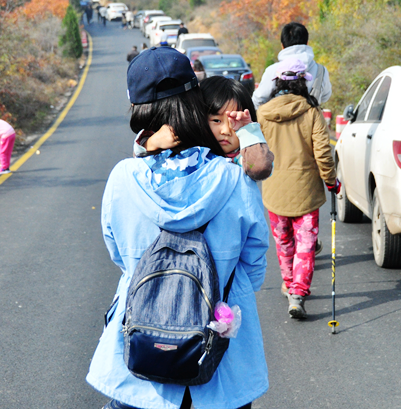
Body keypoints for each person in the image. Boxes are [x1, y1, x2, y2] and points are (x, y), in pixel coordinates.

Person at [87, 46, 269, 409]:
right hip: (219, 359)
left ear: (140, 111)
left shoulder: (123, 177)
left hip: (141, 356)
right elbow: (255, 269)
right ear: (194, 103)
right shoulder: (235, 181)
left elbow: (120, 256)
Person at [257, 58, 339, 319]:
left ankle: (288, 283)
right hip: (305, 190)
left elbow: (255, 153)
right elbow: (323, 153)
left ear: (277, 82)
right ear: (304, 82)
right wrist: (330, 181)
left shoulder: (263, 113)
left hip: (273, 190)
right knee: (305, 245)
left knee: (284, 243)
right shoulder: (311, 112)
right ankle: (298, 293)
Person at [139, 75, 274, 182]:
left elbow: (260, 167)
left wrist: (248, 131)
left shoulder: (242, 159)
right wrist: (152, 142)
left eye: (235, 124)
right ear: (198, 118)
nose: (226, 131)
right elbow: (142, 161)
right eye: (216, 120)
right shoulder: (187, 150)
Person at [252, 22, 332, 108]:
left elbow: (258, 100)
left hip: (278, 119)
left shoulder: (273, 70)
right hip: (311, 120)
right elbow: (325, 97)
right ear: (307, 43)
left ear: (282, 46)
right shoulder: (321, 71)